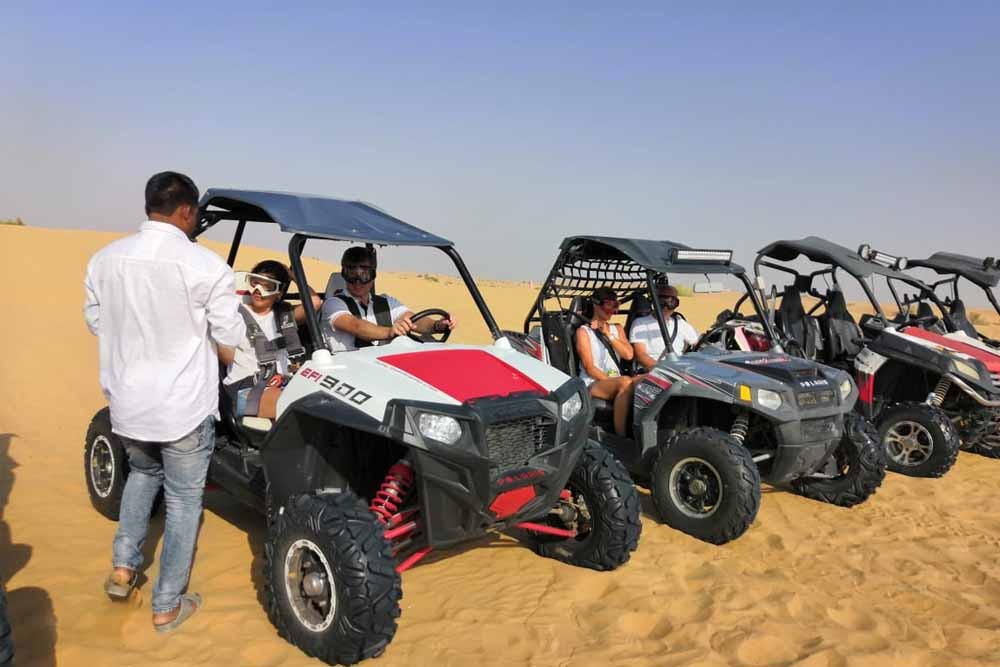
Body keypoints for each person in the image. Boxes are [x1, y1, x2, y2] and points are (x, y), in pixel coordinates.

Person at [84, 171, 245, 632]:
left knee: (141, 475)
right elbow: (228, 334)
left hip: (128, 403)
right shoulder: (206, 266)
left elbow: (96, 320)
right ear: (188, 212)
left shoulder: (104, 259)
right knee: (181, 501)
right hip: (183, 409)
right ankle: (167, 605)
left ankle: (122, 567)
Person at [223, 260, 322, 419]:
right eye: (254, 283)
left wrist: (292, 275)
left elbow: (315, 302)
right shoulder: (235, 315)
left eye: (267, 286)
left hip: (283, 383)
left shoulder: (284, 316)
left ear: (279, 293)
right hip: (246, 388)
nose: (257, 290)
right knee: (301, 406)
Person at [321, 246, 456, 351]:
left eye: (364, 274)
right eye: (352, 274)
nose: (357, 281)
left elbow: (412, 319)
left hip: (383, 368)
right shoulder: (333, 304)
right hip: (346, 370)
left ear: (373, 275)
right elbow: (355, 326)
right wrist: (389, 331)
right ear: (344, 275)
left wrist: (437, 325)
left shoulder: (386, 302)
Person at [574, 287, 639, 436]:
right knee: (625, 383)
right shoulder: (584, 332)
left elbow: (628, 355)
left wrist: (609, 335)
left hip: (618, 379)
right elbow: (589, 367)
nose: (611, 310)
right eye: (608, 305)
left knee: (647, 380)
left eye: (615, 306)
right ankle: (621, 436)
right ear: (596, 304)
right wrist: (613, 381)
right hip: (593, 383)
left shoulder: (617, 329)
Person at [630, 282, 700, 371]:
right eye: (662, 302)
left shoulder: (679, 322)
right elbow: (641, 354)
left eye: (671, 302)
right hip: (652, 371)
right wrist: (661, 370)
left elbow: (697, 343)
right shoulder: (640, 323)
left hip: (679, 369)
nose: (666, 307)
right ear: (654, 302)